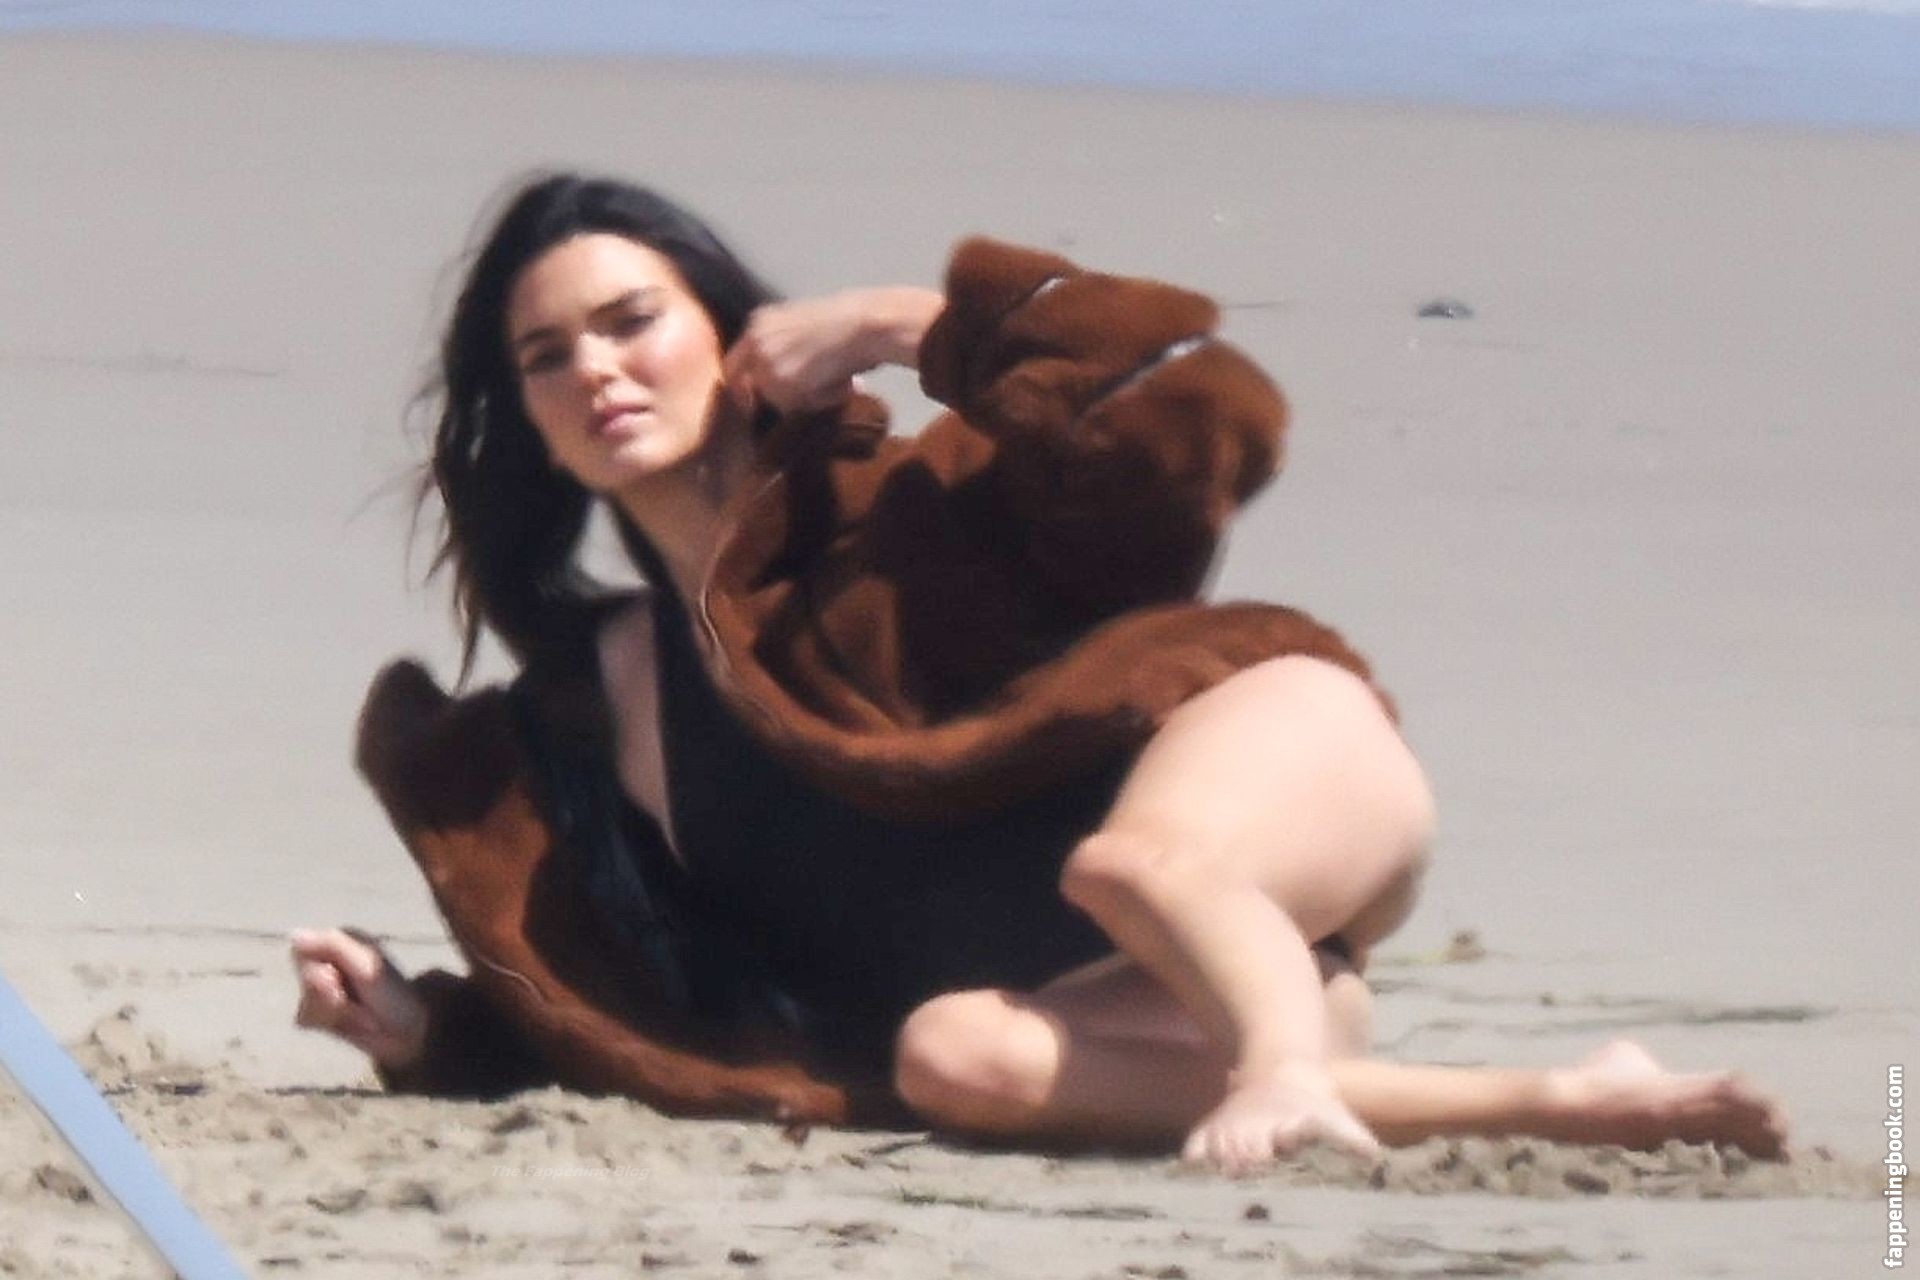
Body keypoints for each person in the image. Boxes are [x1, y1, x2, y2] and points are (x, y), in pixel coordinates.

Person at [292, 173, 1787, 1170]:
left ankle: (1279, 1060)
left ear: (730, 335)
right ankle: (1559, 1098)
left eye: (632, 322)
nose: (598, 370)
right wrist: (428, 1033)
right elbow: (639, 992)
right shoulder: (584, 706)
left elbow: (1197, 418)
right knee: (952, 1062)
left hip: (1270, 757)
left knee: (1137, 867)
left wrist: (916, 325)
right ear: (527, 420)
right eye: (547, 357)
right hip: (1131, 983)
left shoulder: (924, 505)